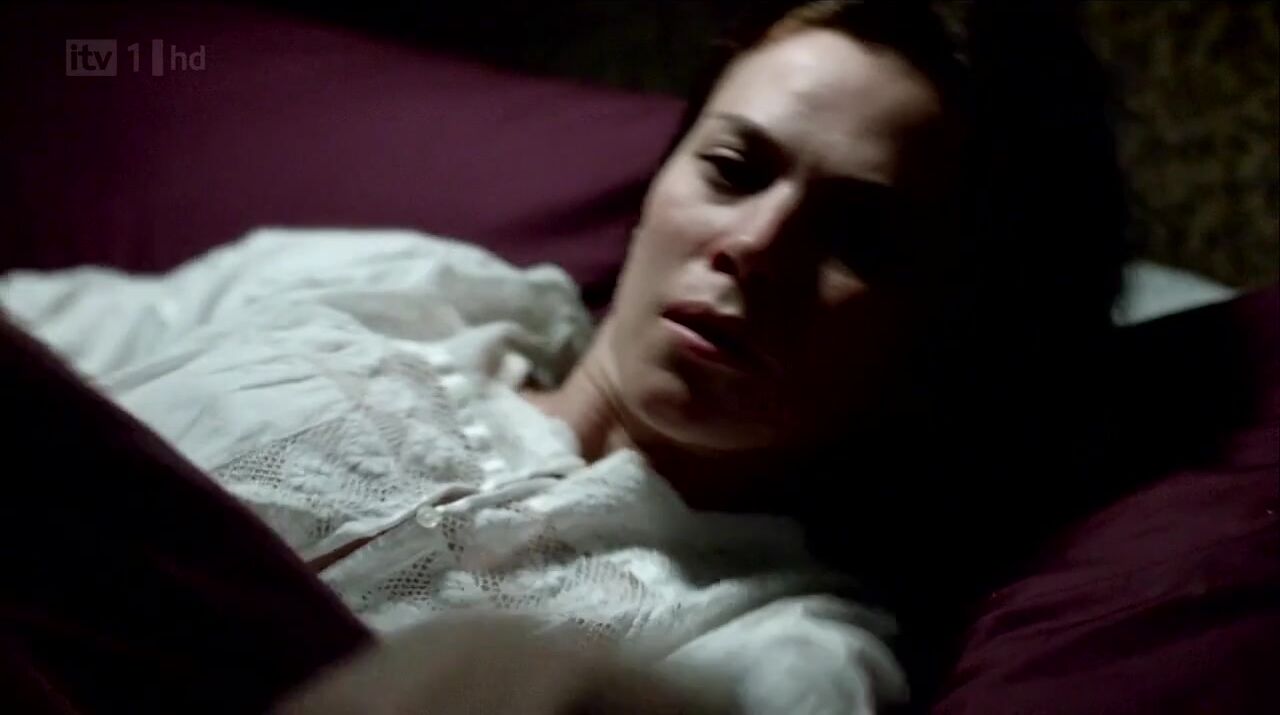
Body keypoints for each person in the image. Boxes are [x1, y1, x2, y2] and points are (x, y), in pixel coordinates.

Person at [0, 1, 1126, 712]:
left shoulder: (786, 647)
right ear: (658, 186)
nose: (753, 245)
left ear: (949, 335)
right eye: (733, 169)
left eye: (860, 237)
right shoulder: (403, 289)